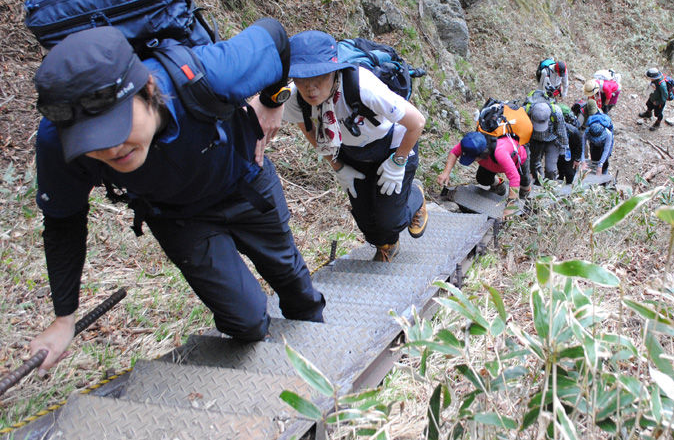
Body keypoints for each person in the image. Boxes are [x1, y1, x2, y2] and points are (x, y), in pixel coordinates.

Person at [30, 21, 325, 371]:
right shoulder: (57, 142)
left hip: (244, 185)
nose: (111, 149)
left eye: (117, 127)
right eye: (92, 143)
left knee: (295, 286)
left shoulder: (211, 73)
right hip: (177, 217)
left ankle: (323, 367)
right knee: (246, 322)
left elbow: (275, 36)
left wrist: (273, 100)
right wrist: (64, 317)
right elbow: (63, 219)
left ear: (149, 88)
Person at [283, 30, 428, 263]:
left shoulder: (362, 85)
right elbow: (310, 131)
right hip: (351, 153)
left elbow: (416, 122)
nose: (310, 89)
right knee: (368, 224)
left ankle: (415, 198)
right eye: (302, 79)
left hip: (393, 146)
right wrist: (338, 166)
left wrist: (397, 162)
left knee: (390, 221)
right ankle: (385, 241)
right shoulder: (294, 97)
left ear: (334, 70)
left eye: (318, 78)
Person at [436, 131, 531, 217]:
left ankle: (526, 202)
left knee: (524, 186)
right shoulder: (470, 144)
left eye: (473, 159)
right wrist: (446, 173)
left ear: (482, 154)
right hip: (492, 164)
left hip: (518, 161)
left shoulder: (500, 152)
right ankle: (499, 185)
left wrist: (510, 207)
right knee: (482, 178)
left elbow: (515, 178)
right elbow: (454, 153)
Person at [525, 91, 569, 184]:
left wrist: (564, 147)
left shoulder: (556, 112)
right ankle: (538, 181)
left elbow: (561, 131)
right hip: (535, 140)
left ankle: (550, 184)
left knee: (551, 168)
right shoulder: (526, 111)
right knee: (534, 164)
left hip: (552, 140)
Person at [579, 105, 614, 176]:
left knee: (604, 161)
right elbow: (582, 147)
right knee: (594, 157)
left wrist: (600, 165)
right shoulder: (586, 132)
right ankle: (594, 171)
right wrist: (582, 161)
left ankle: (604, 175)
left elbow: (606, 150)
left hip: (604, 144)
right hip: (593, 144)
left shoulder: (608, 134)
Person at [557, 107, 583, 184]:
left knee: (569, 173)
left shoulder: (574, 131)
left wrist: (577, 159)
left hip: (571, 151)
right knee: (560, 168)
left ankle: (569, 183)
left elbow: (579, 146)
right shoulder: (557, 129)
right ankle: (561, 178)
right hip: (561, 150)